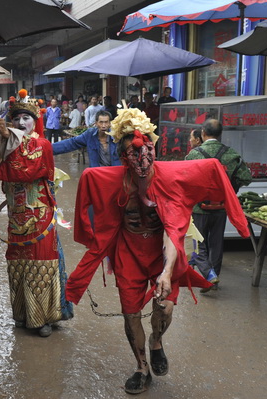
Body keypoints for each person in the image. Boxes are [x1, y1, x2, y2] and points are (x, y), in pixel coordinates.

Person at [65, 108, 249, 394]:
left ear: (153, 149)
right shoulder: (106, 179)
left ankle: (156, 341)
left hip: (164, 250)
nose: (141, 159)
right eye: (133, 154)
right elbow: (88, 198)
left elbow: (175, 227)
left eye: (146, 152)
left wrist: (166, 272)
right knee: (130, 314)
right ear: (123, 156)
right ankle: (141, 366)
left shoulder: (170, 178)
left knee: (163, 307)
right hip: (129, 252)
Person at [0, 95, 73, 338]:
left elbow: (23, 170)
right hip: (16, 217)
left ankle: (43, 318)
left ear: (35, 121)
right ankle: (23, 313)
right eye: (16, 118)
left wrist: (6, 135)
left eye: (26, 118)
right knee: (18, 264)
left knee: (40, 264)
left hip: (40, 216)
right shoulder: (5, 142)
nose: (21, 122)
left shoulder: (42, 145)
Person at [185, 119, 252, 291]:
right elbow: (246, 178)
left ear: (203, 133)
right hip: (221, 207)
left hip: (199, 208)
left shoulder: (194, 155)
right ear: (220, 134)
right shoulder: (232, 154)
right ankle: (214, 276)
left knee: (197, 243)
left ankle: (208, 274)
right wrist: (229, 187)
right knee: (216, 244)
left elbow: (185, 180)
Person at [53, 110, 121, 167]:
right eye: (101, 122)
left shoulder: (117, 135)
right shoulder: (90, 134)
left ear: (110, 123)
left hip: (114, 173)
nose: (103, 126)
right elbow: (71, 143)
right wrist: (47, 148)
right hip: (97, 173)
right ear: (96, 123)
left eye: (106, 122)